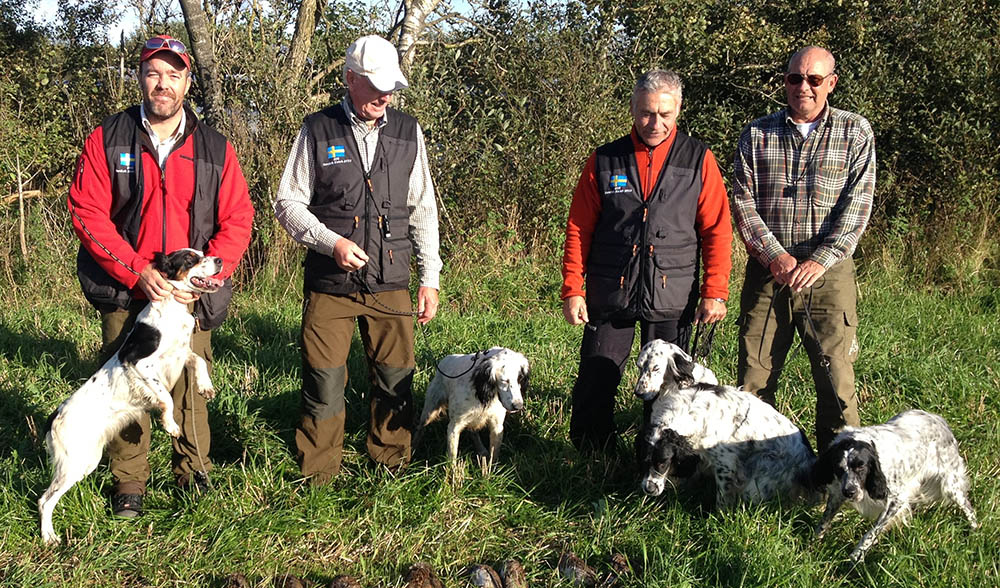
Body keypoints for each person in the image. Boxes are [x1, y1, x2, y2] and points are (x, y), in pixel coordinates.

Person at [68, 35, 254, 517]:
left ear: (188, 82)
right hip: (125, 288)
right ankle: (129, 483)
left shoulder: (215, 146)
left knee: (192, 383)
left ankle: (194, 473)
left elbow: (237, 220)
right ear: (140, 78)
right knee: (127, 384)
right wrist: (137, 272)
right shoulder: (108, 138)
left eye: (174, 74)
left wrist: (202, 280)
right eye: (154, 73)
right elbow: (87, 212)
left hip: (191, 294)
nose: (163, 84)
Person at [274, 35, 441, 485]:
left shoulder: (408, 131)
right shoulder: (317, 128)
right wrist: (332, 244)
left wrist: (430, 279)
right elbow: (287, 202)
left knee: (395, 378)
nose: (386, 96)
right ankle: (318, 478)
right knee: (324, 382)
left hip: (392, 280)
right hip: (330, 283)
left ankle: (391, 469)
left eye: (392, 87)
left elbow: (423, 206)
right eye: (375, 85)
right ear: (350, 79)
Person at [561, 69, 733, 454]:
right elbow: (578, 228)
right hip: (610, 290)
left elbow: (718, 231)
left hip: (673, 293)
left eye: (665, 114)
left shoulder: (698, 159)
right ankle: (592, 457)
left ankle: (658, 458)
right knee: (597, 376)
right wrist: (573, 288)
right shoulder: (604, 159)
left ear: (679, 111)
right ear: (632, 109)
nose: (655, 123)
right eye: (645, 113)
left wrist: (715, 292)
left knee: (670, 387)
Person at [731, 46, 876, 451]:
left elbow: (857, 206)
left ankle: (840, 476)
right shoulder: (757, 134)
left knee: (836, 382)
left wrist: (818, 260)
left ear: (831, 83)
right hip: (768, 274)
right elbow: (742, 202)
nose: (804, 87)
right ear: (785, 81)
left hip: (829, 279)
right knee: (753, 380)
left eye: (814, 79)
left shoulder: (855, 132)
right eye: (796, 78)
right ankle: (753, 468)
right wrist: (775, 256)